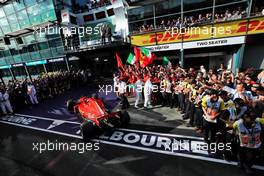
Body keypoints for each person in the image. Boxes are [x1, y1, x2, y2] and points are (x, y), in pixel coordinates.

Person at [233, 109, 264, 174]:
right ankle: (240, 162)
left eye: (254, 118)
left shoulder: (259, 121)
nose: (253, 120)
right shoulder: (238, 123)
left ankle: (247, 167)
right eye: (251, 118)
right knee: (241, 155)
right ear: (245, 117)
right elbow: (234, 130)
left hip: (255, 144)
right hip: (243, 143)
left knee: (252, 157)